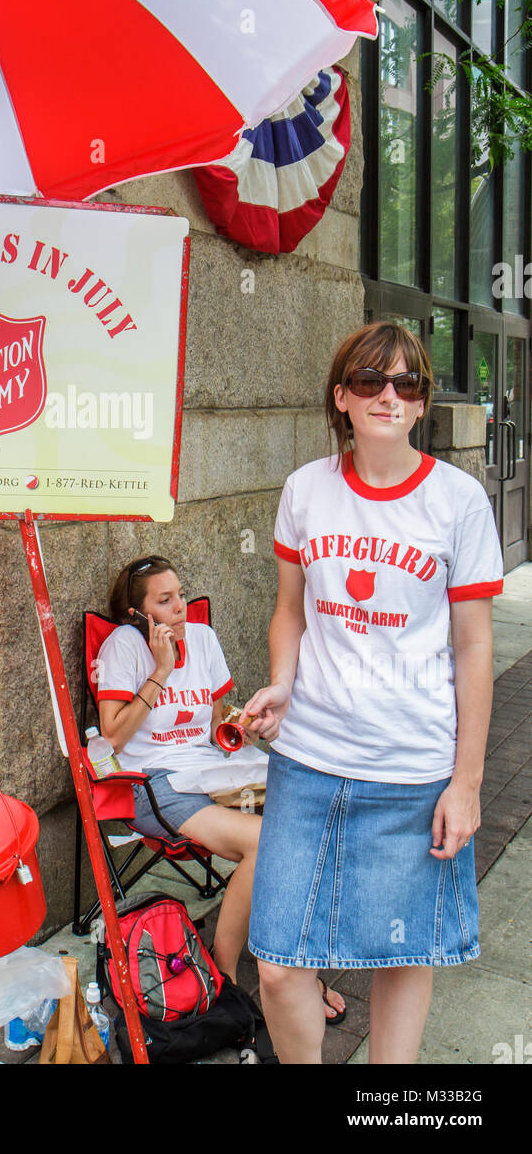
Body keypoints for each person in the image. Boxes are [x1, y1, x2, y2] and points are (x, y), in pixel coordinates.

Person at [243, 321, 503, 1064]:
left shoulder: (457, 502)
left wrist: (468, 781)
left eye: (408, 383)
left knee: (401, 955)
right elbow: (290, 611)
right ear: (342, 399)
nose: (390, 395)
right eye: (370, 381)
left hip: (414, 769)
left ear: (421, 405)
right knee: (281, 964)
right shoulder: (305, 491)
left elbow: (475, 644)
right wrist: (283, 686)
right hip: (309, 761)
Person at [97, 555, 346, 1021]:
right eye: (164, 600)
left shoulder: (205, 639)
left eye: (181, 595)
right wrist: (162, 669)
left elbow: (213, 723)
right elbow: (112, 736)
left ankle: (295, 965)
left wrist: (240, 727)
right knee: (267, 843)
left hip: (212, 770)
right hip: (155, 783)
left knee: (312, 825)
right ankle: (225, 975)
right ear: (138, 613)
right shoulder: (123, 648)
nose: (180, 608)